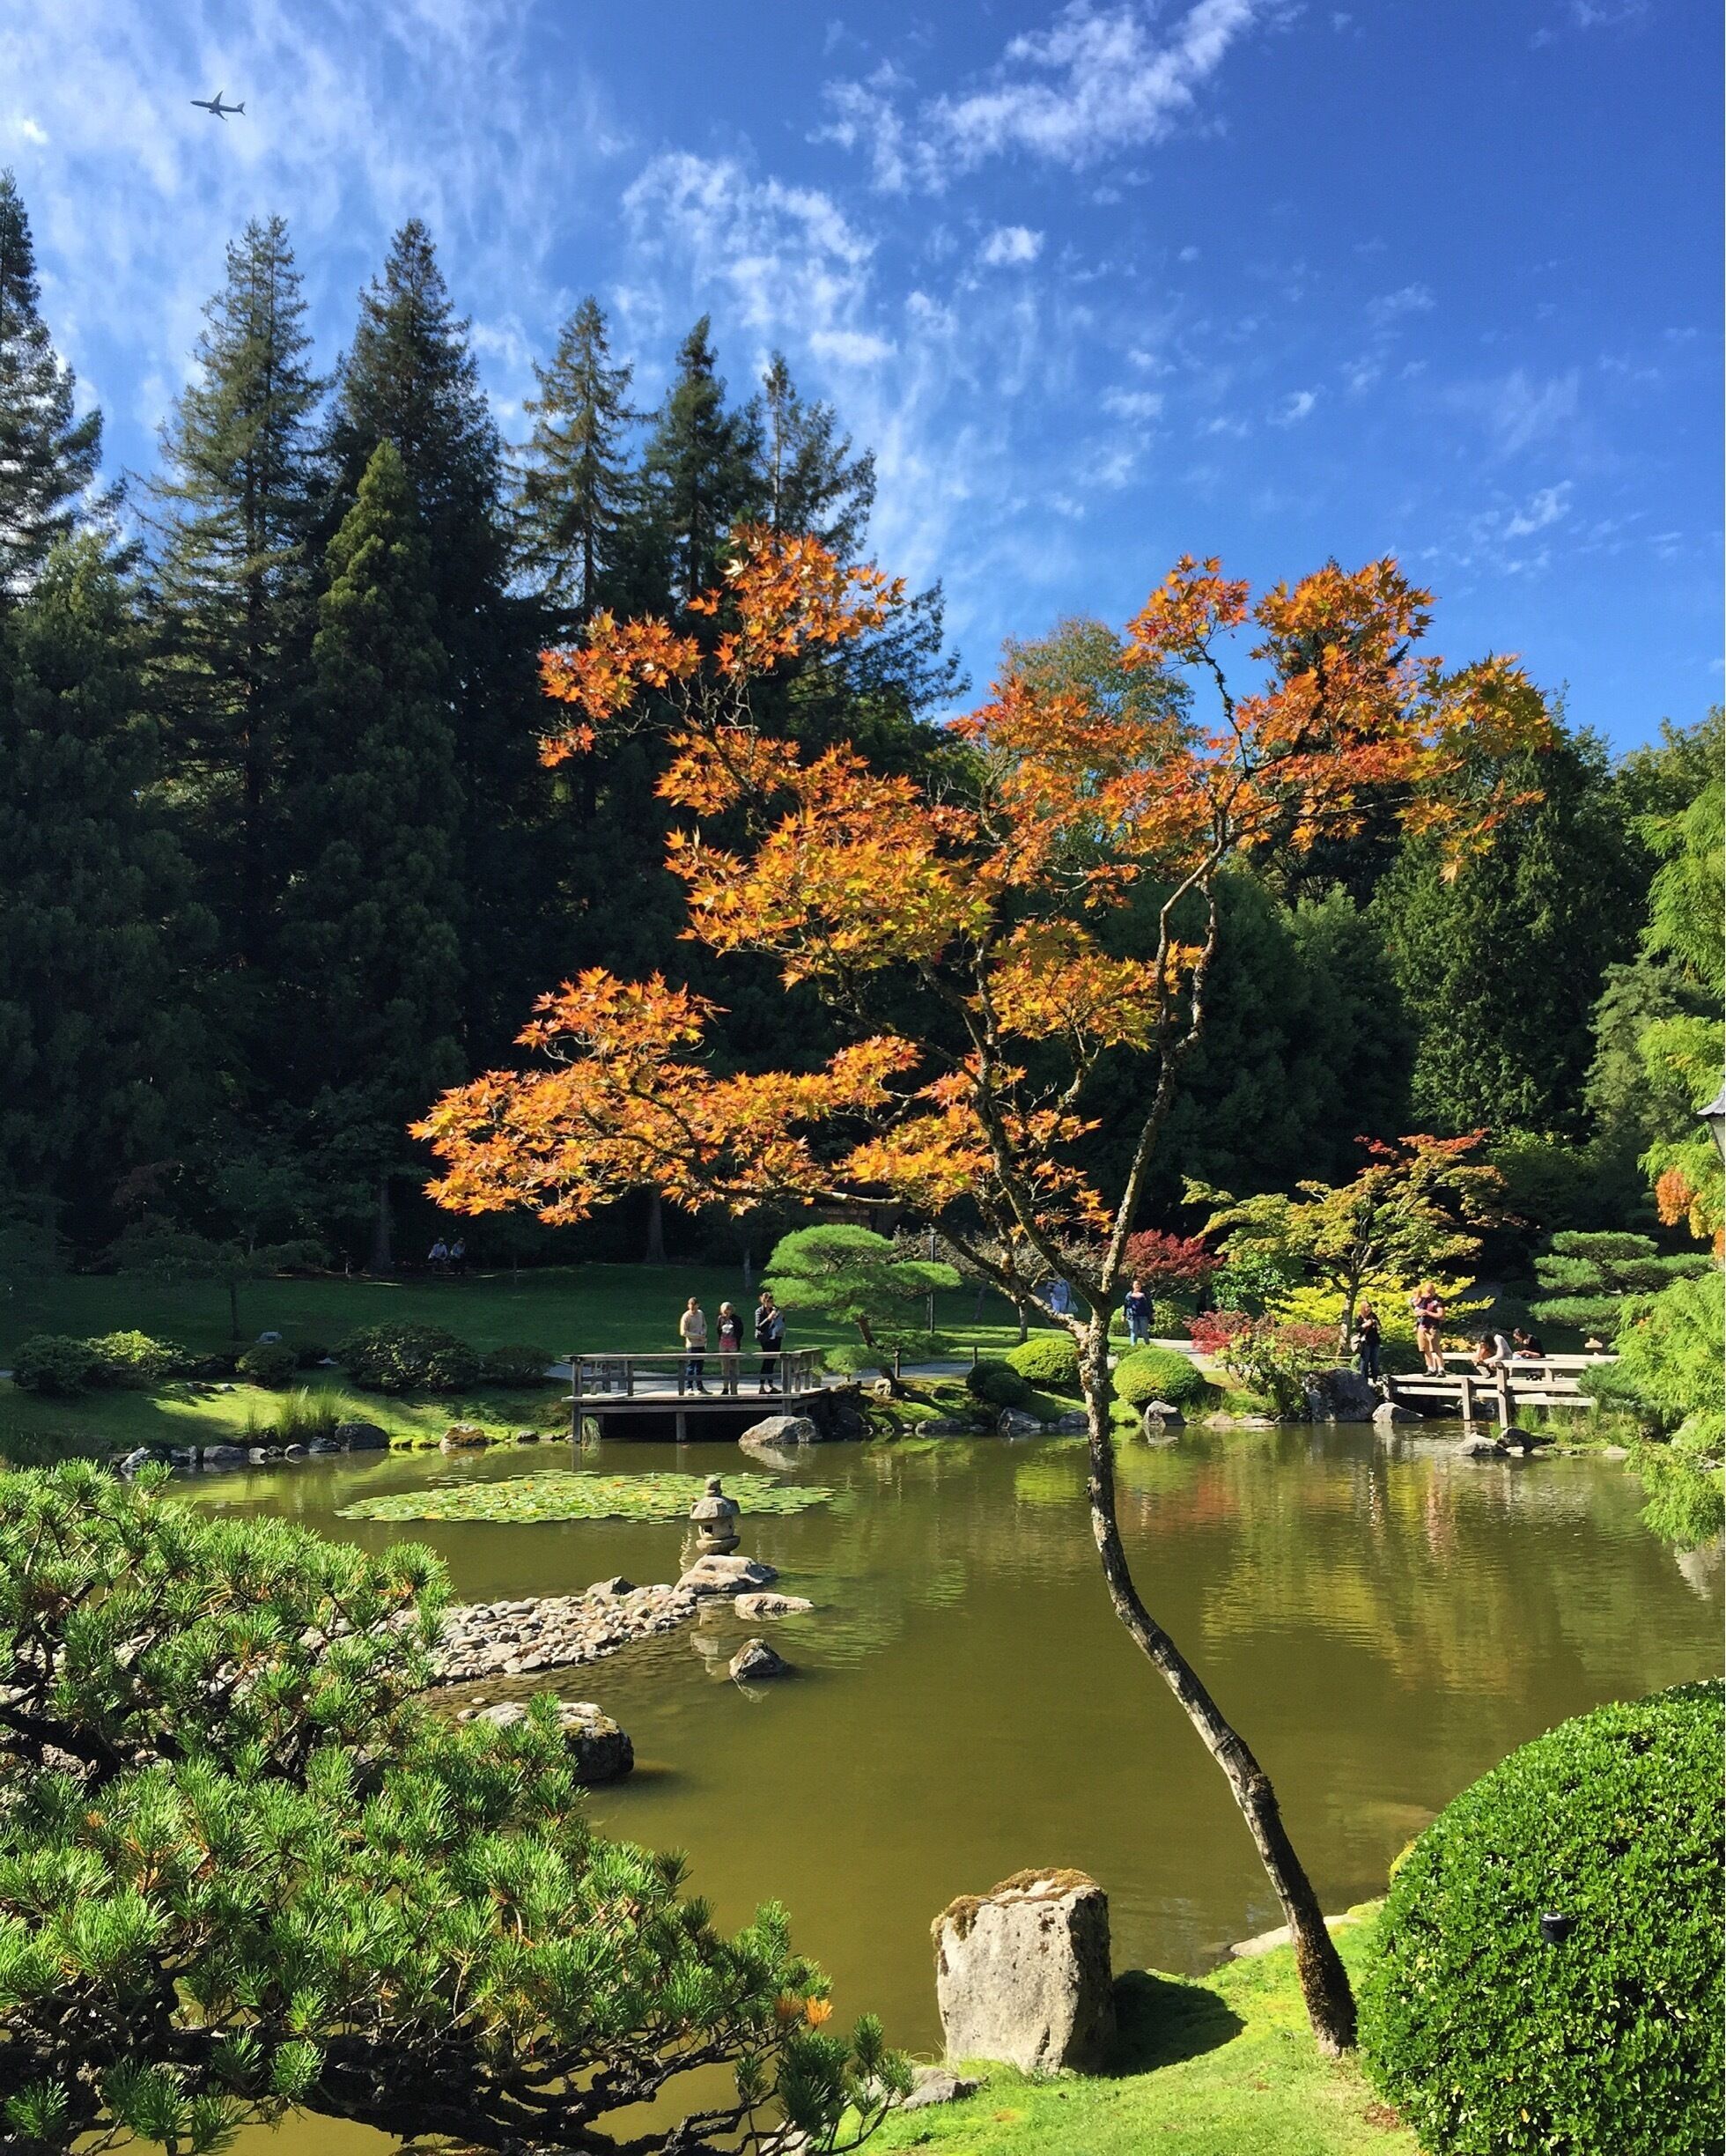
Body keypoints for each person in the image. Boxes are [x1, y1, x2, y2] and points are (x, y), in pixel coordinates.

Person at [754, 1288, 785, 1394]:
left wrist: (779, 1317)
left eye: (771, 1302)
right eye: (768, 1302)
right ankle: (762, 1386)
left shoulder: (775, 1310)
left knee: (773, 1361)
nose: (770, 1304)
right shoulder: (759, 1311)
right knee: (767, 1360)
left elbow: (781, 1322)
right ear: (764, 1301)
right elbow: (759, 1327)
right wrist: (769, 1318)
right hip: (765, 1338)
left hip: (776, 1337)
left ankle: (771, 1385)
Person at [1411, 1282, 1445, 1374]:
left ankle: (1441, 1369)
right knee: (1425, 1348)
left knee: (1435, 1348)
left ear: (1434, 1290)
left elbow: (1441, 1315)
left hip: (1433, 1327)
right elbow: (1415, 1310)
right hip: (1422, 1326)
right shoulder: (1422, 1299)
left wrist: (1427, 1312)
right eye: (1427, 1292)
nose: (1429, 1294)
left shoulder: (1438, 1300)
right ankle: (1430, 1368)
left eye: (1430, 1292)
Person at [678, 1296, 709, 1393]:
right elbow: (683, 1332)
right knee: (691, 1366)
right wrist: (696, 1336)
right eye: (690, 1306)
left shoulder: (700, 1314)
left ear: (697, 1305)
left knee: (700, 1367)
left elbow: (704, 1325)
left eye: (694, 1306)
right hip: (692, 1345)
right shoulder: (686, 1316)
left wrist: (703, 1333)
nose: (692, 1309)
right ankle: (689, 1387)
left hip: (701, 1344)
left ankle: (700, 1387)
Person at [715, 1300, 743, 1394]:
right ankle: (725, 1387)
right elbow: (718, 1330)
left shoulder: (737, 1319)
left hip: (733, 1345)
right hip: (723, 1345)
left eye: (728, 1310)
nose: (727, 1312)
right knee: (725, 1367)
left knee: (734, 1366)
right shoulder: (720, 1319)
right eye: (725, 1310)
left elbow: (740, 1332)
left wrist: (735, 1340)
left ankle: (734, 1387)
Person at [1354, 1301, 1383, 1383]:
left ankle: (1375, 1378)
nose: (1369, 1308)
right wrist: (1365, 1324)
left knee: (1374, 1360)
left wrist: (1375, 1324)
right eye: (1367, 1307)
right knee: (1365, 1360)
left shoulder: (1373, 1316)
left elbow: (1379, 1326)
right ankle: (1363, 1379)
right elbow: (1357, 1329)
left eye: (1370, 1307)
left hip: (1375, 1340)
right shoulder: (1359, 1317)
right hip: (1365, 1341)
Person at [1122, 1277, 1154, 1348]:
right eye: (1135, 1284)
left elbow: (1150, 1305)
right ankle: (1133, 1346)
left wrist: (1152, 1316)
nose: (1137, 1286)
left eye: (1138, 1284)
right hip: (1132, 1316)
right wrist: (1124, 1315)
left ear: (1141, 1286)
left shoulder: (1145, 1295)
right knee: (1134, 1332)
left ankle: (1148, 1345)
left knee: (1144, 1332)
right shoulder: (1129, 1295)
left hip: (1143, 1316)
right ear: (1133, 1286)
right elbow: (1126, 1305)